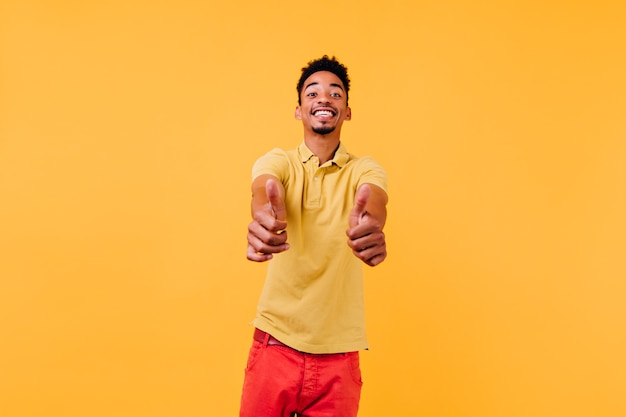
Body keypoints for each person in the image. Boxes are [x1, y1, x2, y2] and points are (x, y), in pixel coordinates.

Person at [240, 55, 389, 417]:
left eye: (335, 93)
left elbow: (377, 199)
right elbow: (264, 187)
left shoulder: (365, 169)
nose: (324, 98)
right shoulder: (278, 161)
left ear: (347, 112)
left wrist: (372, 223)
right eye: (314, 92)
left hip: (339, 358)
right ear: (299, 110)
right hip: (275, 345)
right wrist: (264, 214)